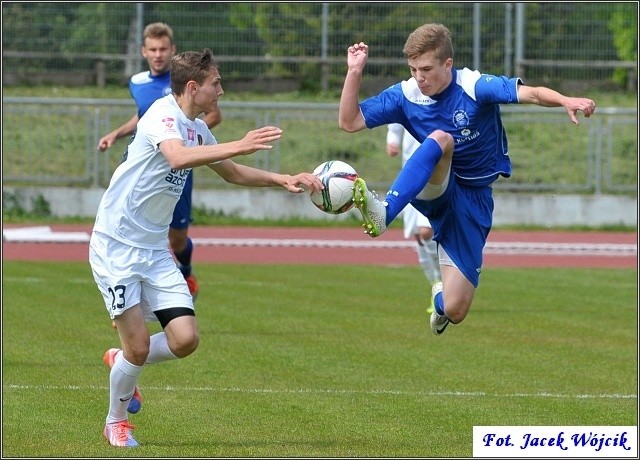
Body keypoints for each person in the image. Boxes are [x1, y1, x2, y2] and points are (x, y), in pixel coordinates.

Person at [90, 48, 323, 448]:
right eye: (216, 83)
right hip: (116, 247)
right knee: (141, 346)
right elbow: (177, 158)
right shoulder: (163, 116)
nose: (222, 90)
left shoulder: (197, 126)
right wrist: (241, 143)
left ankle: (123, 358)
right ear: (194, 87)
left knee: (184, 340)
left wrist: (282, 178)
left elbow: (231, 173)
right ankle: (115, 421)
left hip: (153, 249)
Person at [339, 23, 596, 336]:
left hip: (473, 200)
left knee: (456, 309)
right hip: (440, 185)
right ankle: (384, 213)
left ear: (448, 64)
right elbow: (349, 121)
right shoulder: (406, 94)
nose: (419, 77)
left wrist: (566, 100)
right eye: (413, 69)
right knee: (441, 139)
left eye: (426, 69)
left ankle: (438, 298)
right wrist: (354, 71)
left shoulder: (474, 86)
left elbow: (531, 93)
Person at [97, 22, 219, 303]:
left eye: (164, 48)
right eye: (153, 49)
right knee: (137, 223)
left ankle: (185, 272)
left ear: (172, 50)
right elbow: (144, 117)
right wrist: (116, 134)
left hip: (179, 165)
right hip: (154, 161)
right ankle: (128, 296)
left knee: (176, 239)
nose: (158, 54)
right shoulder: (138, 83)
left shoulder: (186, 84)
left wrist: (191, 137)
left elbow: (207, 118)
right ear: (144, 51)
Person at [386, 123, 441, 313]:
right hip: (409, 176)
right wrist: (392, 140)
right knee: (418, 236)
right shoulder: (407, 93)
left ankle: (443, 285)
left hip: (435, 175)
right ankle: (436, 286)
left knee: (426, 231)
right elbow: (396, 121)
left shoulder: (444, 94)